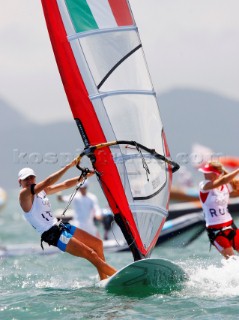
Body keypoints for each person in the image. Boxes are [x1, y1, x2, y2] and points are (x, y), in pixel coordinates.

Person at [18, 160, 117, 280]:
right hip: (52, 234)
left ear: (34, 178)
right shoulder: (24, 194)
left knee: (97, 244)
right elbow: (48, 181)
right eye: (25, 179)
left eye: (31, 178)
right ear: (20, 182)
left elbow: (65, 185)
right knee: (91, 254)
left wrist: (85, 176)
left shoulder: (41, 191)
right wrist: (68, 166)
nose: (29, 181)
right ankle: (119, 277)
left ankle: (104, 280)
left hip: (60, 226)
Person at [198, 161, 239, 259]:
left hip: (231, 226)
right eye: (204, 172)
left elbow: (234, 193)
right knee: (232, 261)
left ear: (216, 174)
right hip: (216, 231)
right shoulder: (204, 185)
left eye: (208, 172)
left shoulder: (225, 186)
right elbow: (223, 180)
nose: (204, 174)